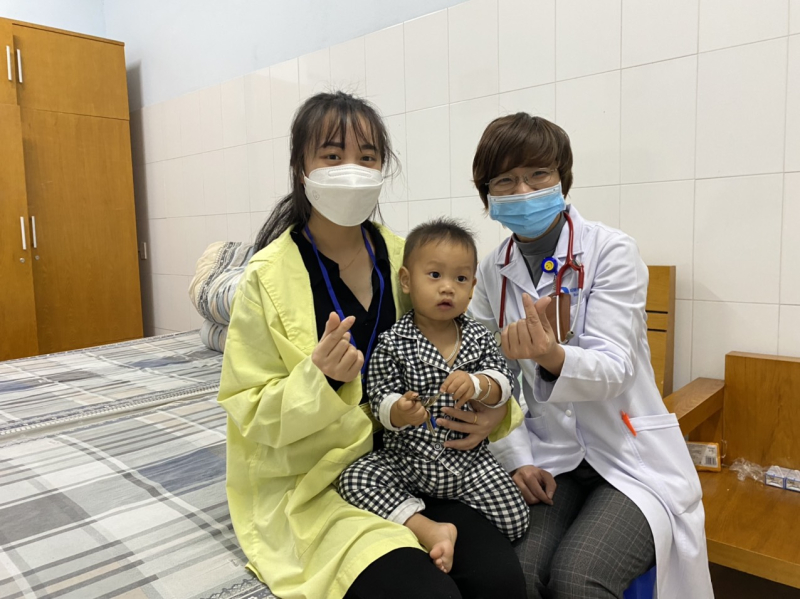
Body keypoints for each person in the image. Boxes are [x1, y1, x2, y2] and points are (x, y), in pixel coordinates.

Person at [217, 91, 526, 599]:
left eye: (367, 157)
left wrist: (495, 412)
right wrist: (319, 379)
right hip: (317, 480)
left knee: (502, 583)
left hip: (416, 459)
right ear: (301, 168)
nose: (352, 170)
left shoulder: (407, 258)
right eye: (332, 155)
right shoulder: (267, 277)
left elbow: (469, 350)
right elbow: (247, 409)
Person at [467, 113, 714, 599]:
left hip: (628, 457)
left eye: (538, 174)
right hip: (550, 457)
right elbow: (490, 377)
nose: (523, 190)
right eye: (505, 180)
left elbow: (616, 367)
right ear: (487, 195)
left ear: (562, 178)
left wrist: (551, 356)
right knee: (517, 574)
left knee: (577, 577)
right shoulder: (492, 272)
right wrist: (516, 460)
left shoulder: (611, 252)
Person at [339, 218, 530, 575]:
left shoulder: (478, 337)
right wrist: (398, 411)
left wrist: (479, 385)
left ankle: (447, 520)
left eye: (460, 279)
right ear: (406, 281)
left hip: (468, 463)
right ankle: (426, 527)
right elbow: (379, 396)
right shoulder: (394, 342)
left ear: (472, 288)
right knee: (354, 478)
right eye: (435, 275)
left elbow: (504, 382)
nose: (447, 288)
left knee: (516, 520)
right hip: (407, 461)